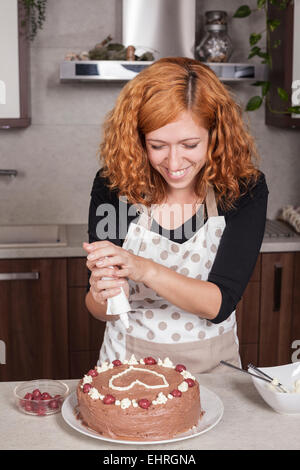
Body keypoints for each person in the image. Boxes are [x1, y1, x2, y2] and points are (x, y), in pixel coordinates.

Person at [83, 57, 268, 374]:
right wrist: (104, 294)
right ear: (139, 140)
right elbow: (100, 310)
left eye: (189, 144)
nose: (173, 161)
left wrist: (143, 269)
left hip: (213, 371)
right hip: (126, 365)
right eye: (157, 145)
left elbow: (218, 304)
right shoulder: (114, 187)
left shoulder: (242, 190)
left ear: (215, 135)